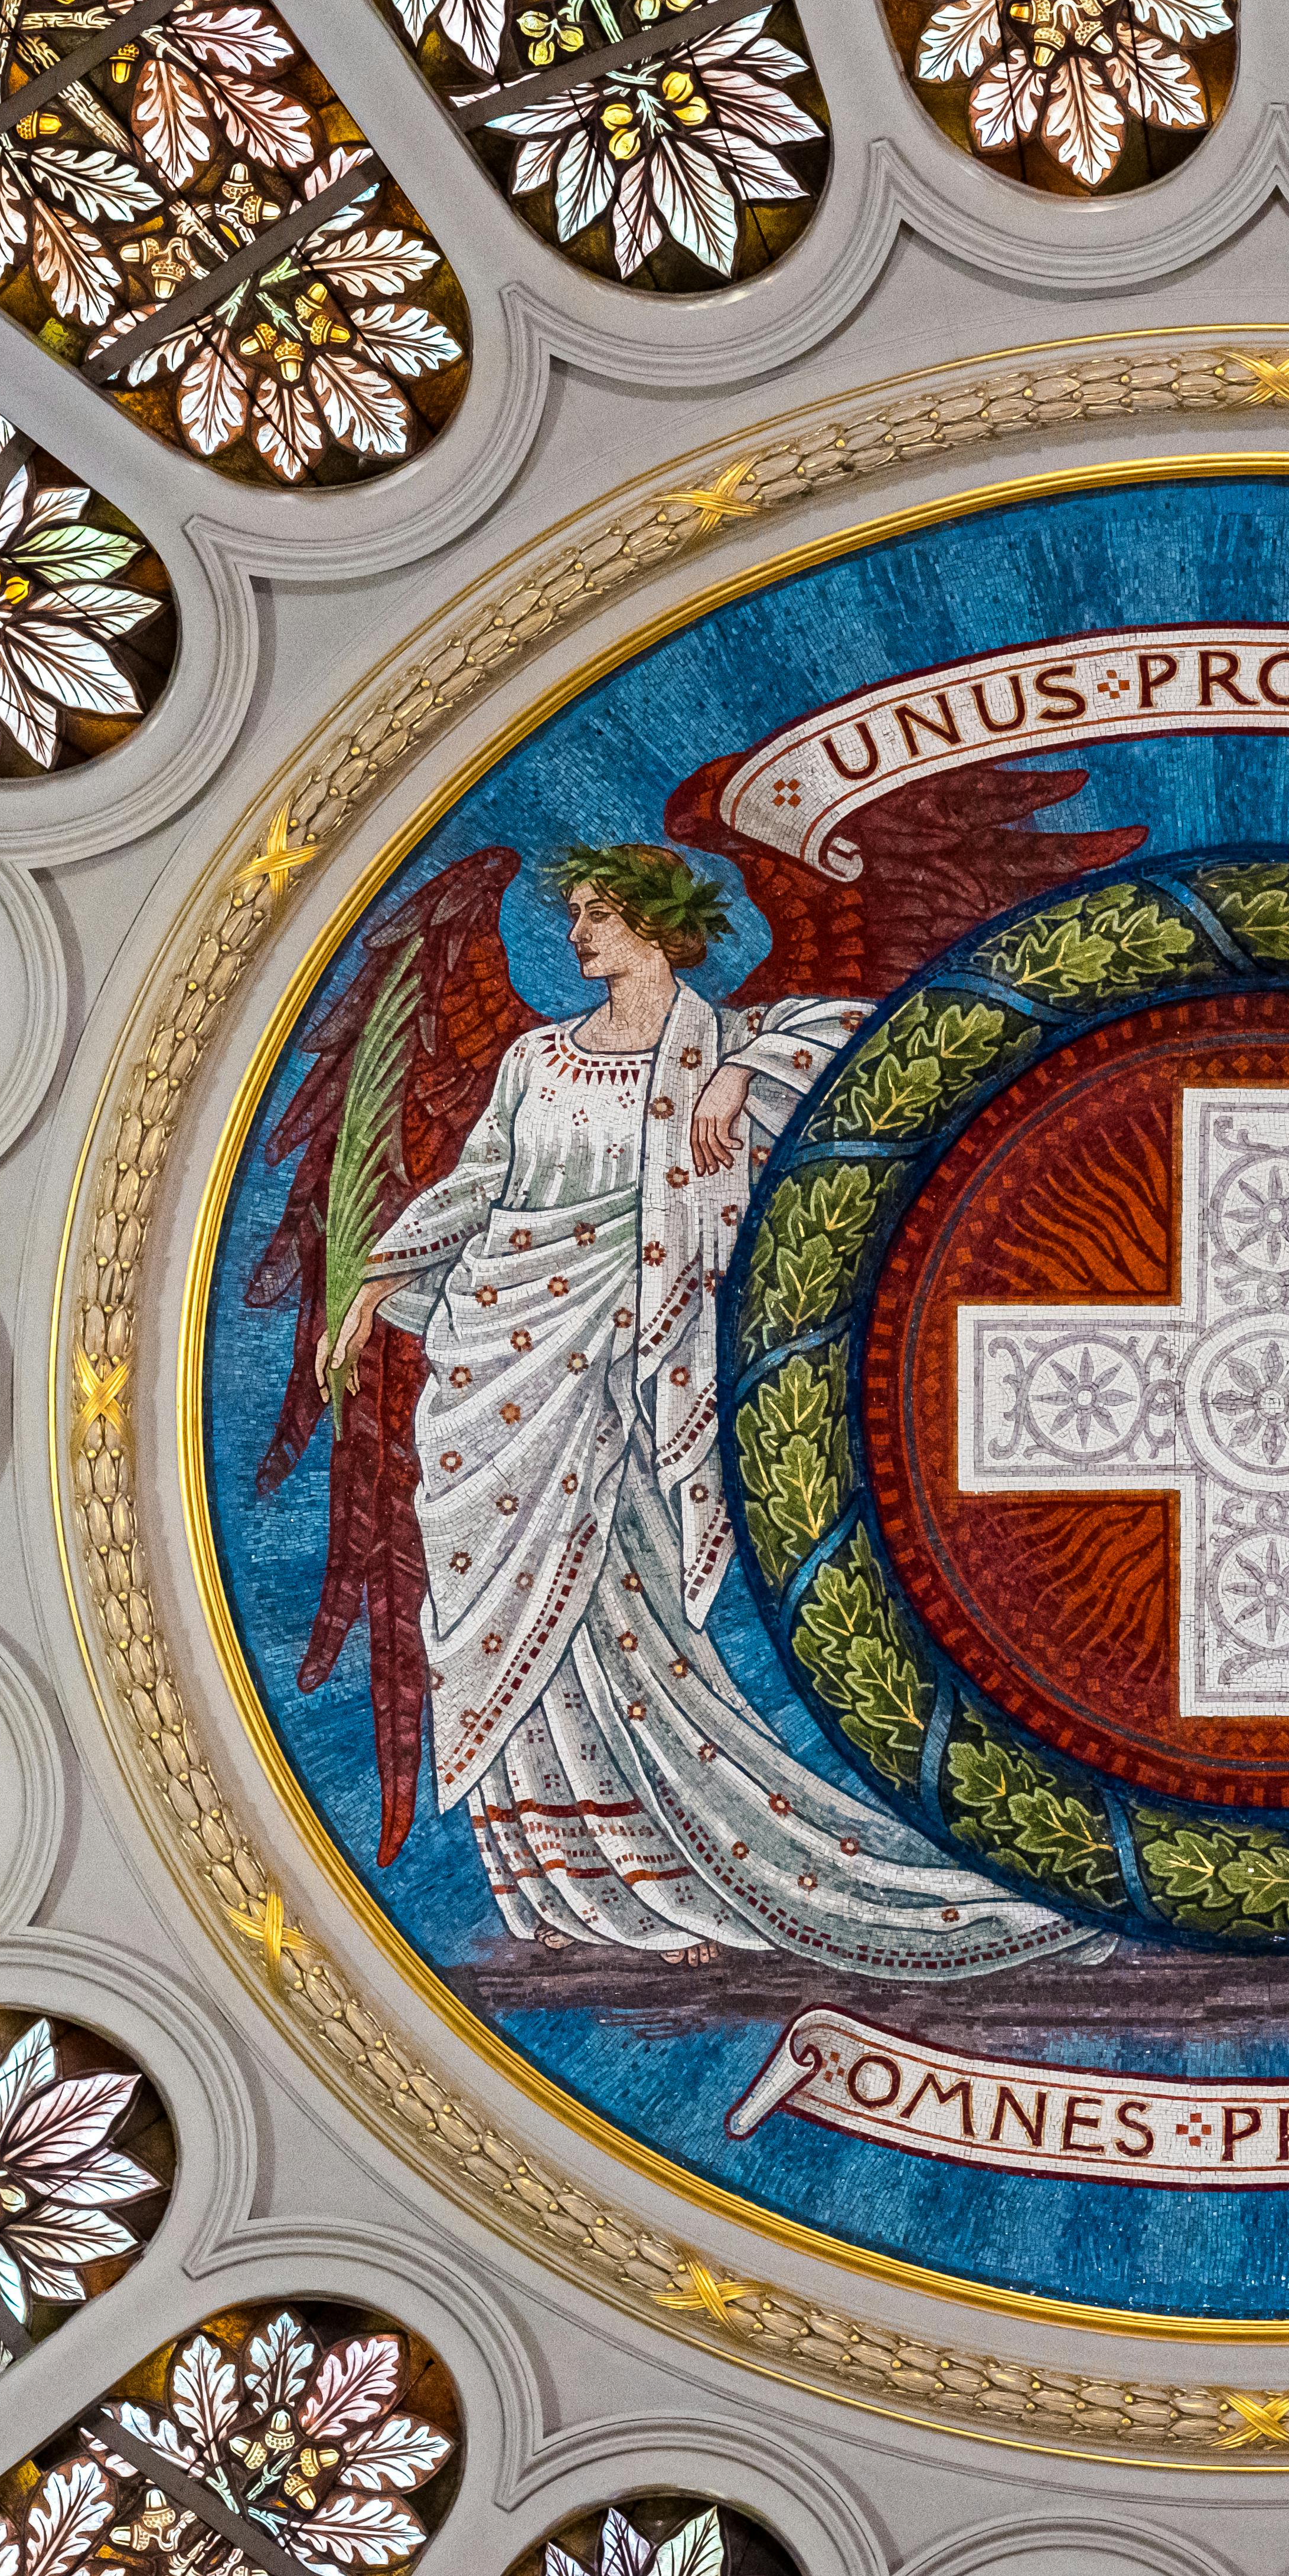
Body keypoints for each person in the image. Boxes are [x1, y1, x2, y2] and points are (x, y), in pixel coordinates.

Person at [324, 845, 1095, 1974]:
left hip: (620, 1364)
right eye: (576, 914)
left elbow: (872, 1037)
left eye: (597, 915)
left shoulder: (722, 1042)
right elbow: (480, 1186)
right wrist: (377, 1284)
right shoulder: (534, 1059)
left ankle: (677, 1876)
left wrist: (742, 1071)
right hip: (495, 1365)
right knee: (501, 1621)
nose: (576, 935)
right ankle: (558, 1883)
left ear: (655, 924)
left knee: (629, 1616)